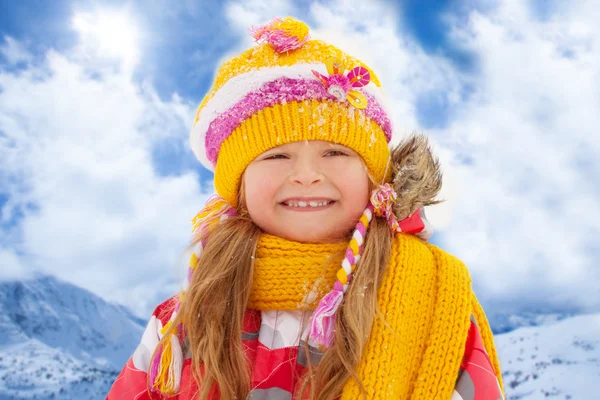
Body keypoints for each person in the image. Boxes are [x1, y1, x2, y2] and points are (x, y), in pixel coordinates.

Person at [107, 16, 504, 400]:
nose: (307, 175)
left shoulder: (434, 301)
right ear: (238, 186)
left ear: (374, 176)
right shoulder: (184, 322)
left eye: (334, 152)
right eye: (276, 156)